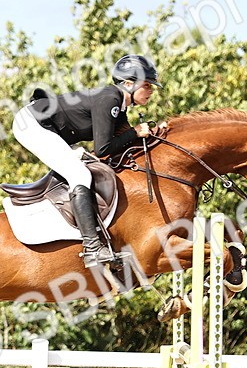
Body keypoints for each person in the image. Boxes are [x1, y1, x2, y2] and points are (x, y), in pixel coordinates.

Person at [12, 54, 160, 268]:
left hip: (46, 125)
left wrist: (155, 134)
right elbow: (103, 149)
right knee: (79, 174)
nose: (151, 91)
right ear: (128, 84)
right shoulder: (110, 98)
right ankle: (92, 248)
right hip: (32, 123)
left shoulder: (119, 108)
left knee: (83, 168)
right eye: (147, 85)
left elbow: (124, 140)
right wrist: (136, 132)